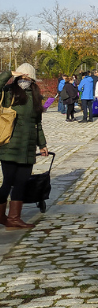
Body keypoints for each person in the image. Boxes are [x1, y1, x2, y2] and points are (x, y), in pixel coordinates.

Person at [0, 63, 49, 229]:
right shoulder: (9, 93)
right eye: (21, 77)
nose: (24, 80)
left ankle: (14, 218)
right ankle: (1, 216)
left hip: (27, 148)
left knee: (21, 182)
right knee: (7, 182)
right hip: (9, 146)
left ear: (32, 79)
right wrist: (8, 74)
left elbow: (38, 124)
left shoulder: (36, 95)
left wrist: (42, 144)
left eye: (27, 77)